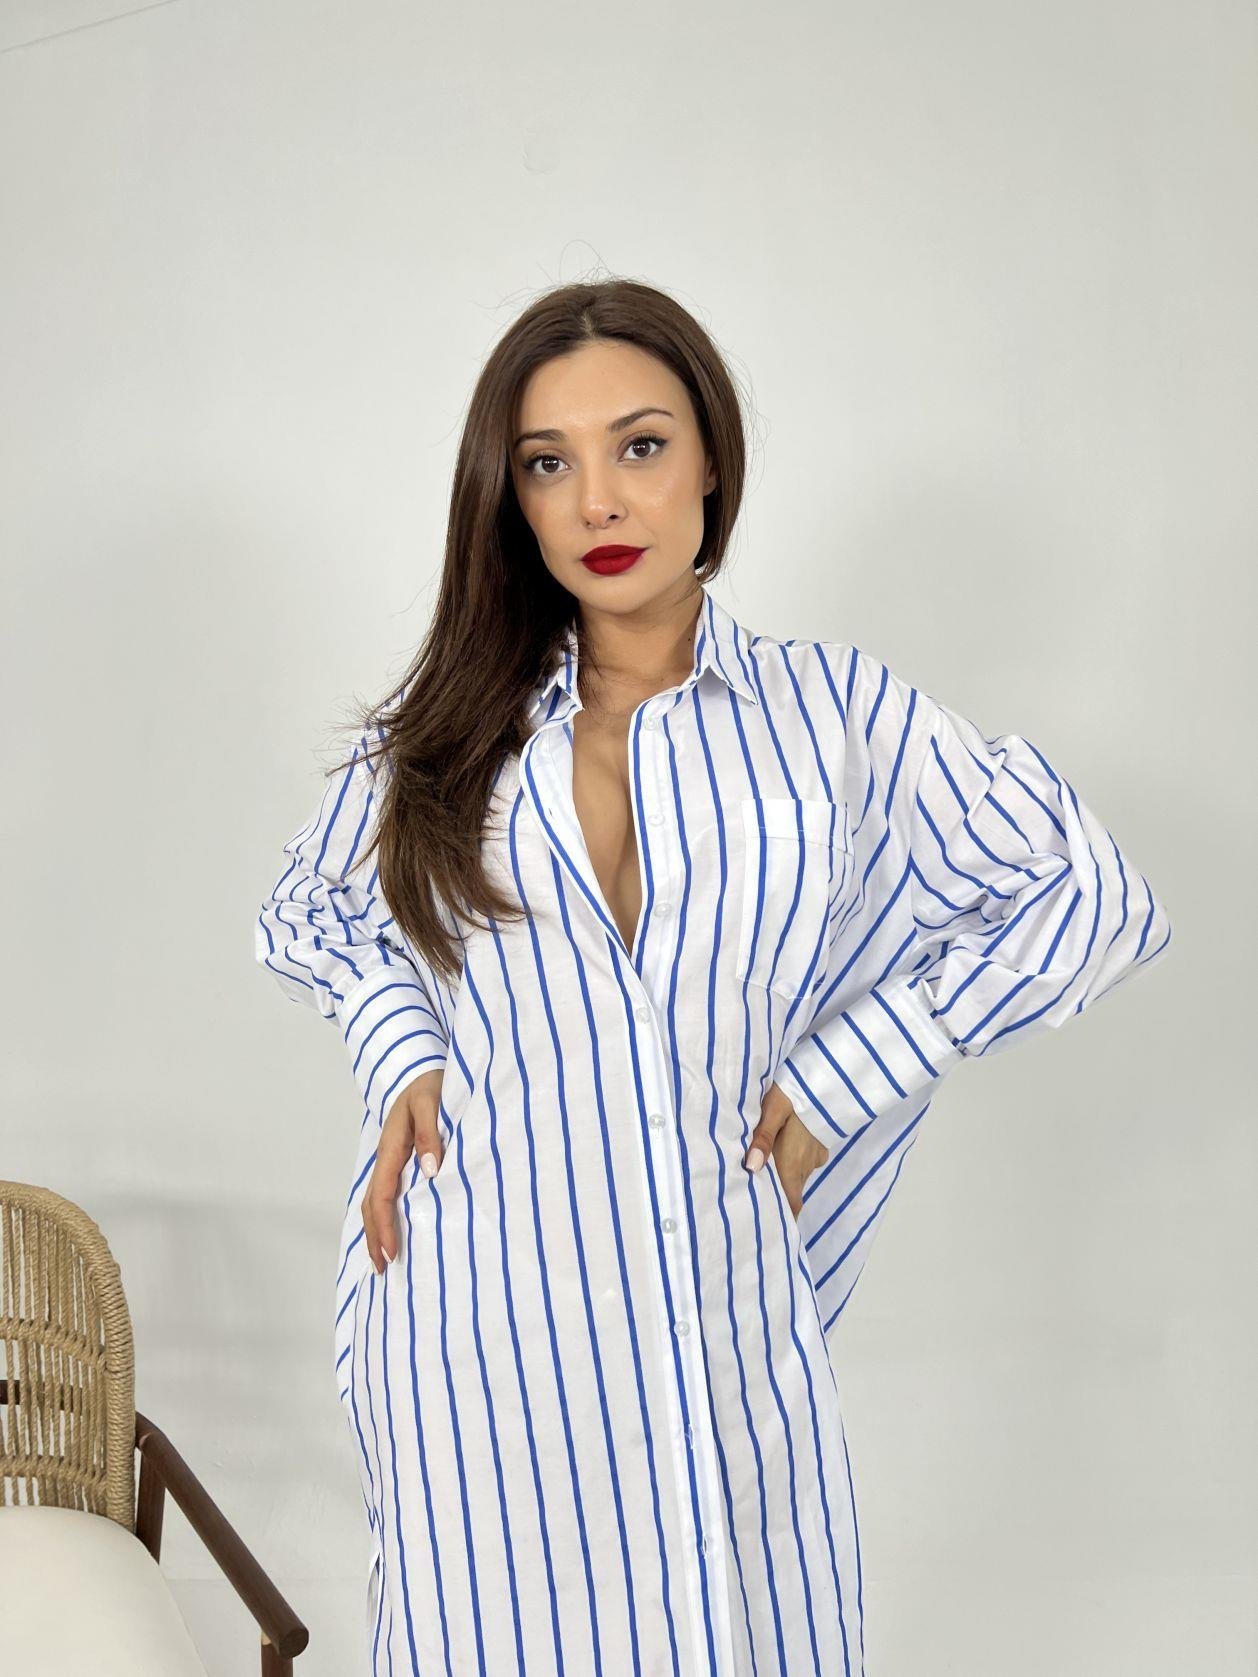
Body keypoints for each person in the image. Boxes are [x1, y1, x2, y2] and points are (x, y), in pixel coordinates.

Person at [254, 279, 1172, 1676]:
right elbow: (312, 909)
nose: (597, 501)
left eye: (639, 445)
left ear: (710, 465)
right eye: (547, 464)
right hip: (476, 1302)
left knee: (745, 1625)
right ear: (510, 501)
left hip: (716, 1295)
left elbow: (1086, 895)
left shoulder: (832, 712)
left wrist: (846, 1074)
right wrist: (403, 1048)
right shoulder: (448, 730)